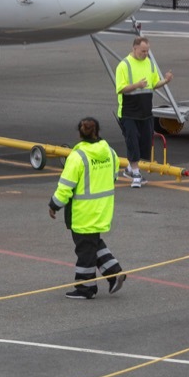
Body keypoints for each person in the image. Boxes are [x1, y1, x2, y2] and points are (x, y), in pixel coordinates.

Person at [48, 117, 126, 300]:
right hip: (102, 209)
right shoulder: (110, 152)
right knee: (92, 243)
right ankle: (114, 272)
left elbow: (65, 186)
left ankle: (86, 287)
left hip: (82, 212)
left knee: (85, 249)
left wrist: (54, 205)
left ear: (79, 133)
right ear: (97, 131)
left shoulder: (77, 156)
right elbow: (113, 176)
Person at [114, 36, 172, 188]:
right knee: (132, 141)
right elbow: (120, 88)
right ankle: (136, 174)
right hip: (129, 112)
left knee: (145, 143)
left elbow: (153, 84)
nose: (145, 54)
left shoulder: (150, 64)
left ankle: (129, 168)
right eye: (143, 51)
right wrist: (136, 85)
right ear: (134, 48)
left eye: (147, 51)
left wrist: (165, 81)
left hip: (145, 111)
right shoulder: (124, 65)